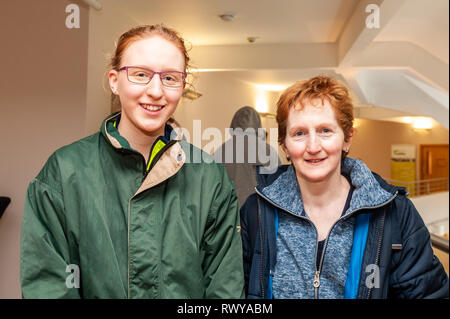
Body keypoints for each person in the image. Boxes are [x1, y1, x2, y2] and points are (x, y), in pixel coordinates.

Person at [20, 24, 244, 299]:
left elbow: (225, 289)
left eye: (170, 78)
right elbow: (47, 285)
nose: (156, 91)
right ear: (115, 81)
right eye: (141, 74)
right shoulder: (64, 171)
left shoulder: (210, 177)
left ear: (182, 86)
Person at [240, 75, 449, 299]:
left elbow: (431, 294)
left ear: (347, 138)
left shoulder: (396, 214)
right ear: (284, 145)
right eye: (299, 133)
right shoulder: (256, 211)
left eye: (325, 131)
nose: (313, 146)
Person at [213, 106, 281, 208]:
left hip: (230, 214)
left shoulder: (220, 151)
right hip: (260, 212)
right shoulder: (268, 151)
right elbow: (279, 186)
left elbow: (213, 188)